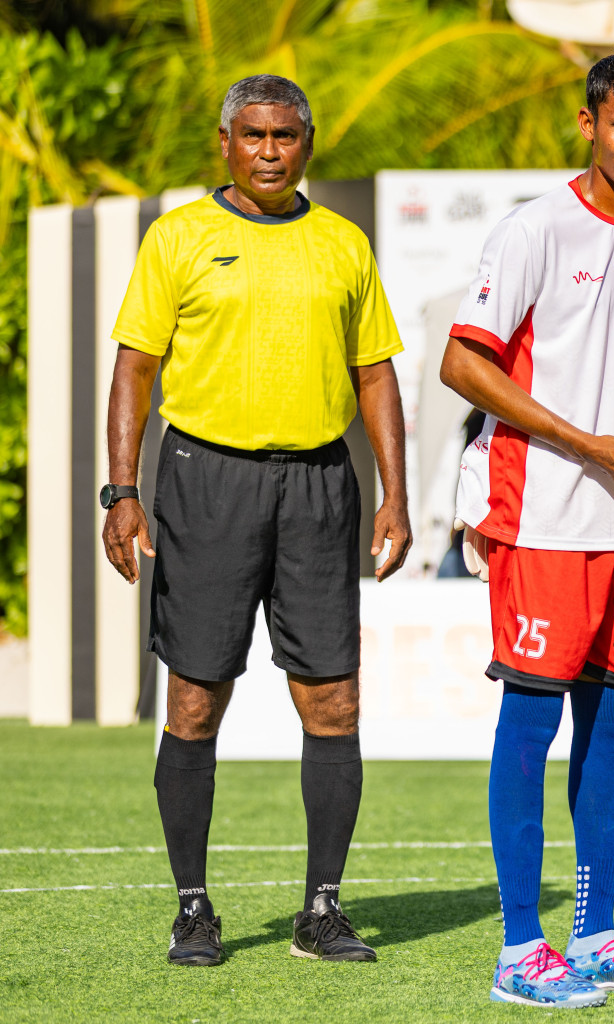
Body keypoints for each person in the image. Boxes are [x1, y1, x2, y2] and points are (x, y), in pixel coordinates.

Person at [101, 74, 412, 967]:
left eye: (286, 136)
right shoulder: (181, 237)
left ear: (307, 144)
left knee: (334, 699)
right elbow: (134, 370)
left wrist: (394, 491)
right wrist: (121, 491)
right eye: (254, 135)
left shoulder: (344, 244)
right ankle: (194, 908)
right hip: (207, 481)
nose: (271, 151)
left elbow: (377, 372)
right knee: (196, 697)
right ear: (227, 144)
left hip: (320, 484)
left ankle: (322, 909)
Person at [438, 45, 614, 1008]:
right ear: (587, 123)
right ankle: (519, 949)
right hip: (543, 511)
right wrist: (584, 442)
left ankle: (594, 932)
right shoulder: (533, 230)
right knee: (533, 721)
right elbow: (463, 367)